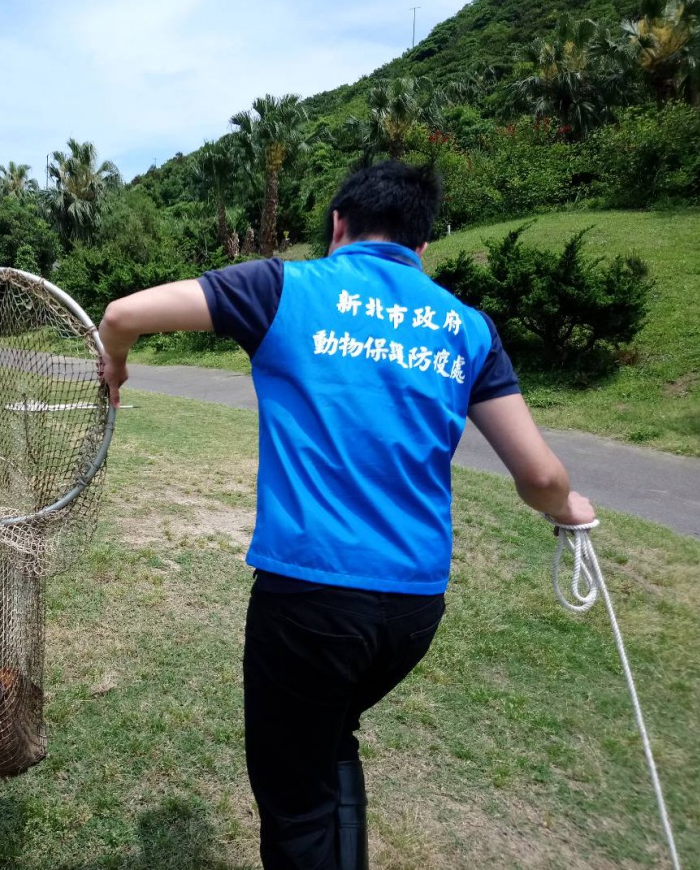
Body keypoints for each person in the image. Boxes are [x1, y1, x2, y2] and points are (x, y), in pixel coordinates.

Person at [97, 161, 595, 869]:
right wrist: (567, 507)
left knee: (294, 798)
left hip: (311, 602)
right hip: (414, 611)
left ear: (339, 224)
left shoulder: (284, 286)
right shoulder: (466, 326)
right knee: (330, 736)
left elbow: (121, 315)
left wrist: (115, 363)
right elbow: (542, 474)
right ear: (425, 247)